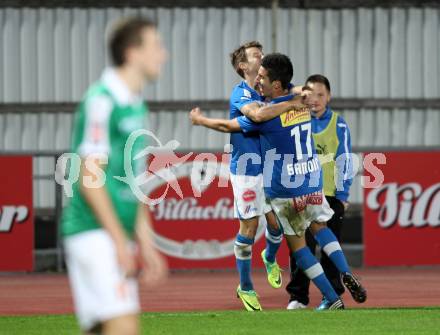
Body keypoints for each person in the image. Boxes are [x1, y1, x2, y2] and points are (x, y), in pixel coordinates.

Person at [190, 53, 366, 310]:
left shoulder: (267, 115)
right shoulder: (302, 105)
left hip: (286, 188)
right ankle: (346, 270)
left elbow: (229, 126)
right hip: (312, 180)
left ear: (275, 84)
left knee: (300, 248)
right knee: (321, 228)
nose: (258, 81)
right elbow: (296, 94)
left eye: (263, 77)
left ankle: (331, 297)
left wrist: (201, 120)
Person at [61, 17, 168, 335]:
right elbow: (89, 177)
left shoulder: (135, 105)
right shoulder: (102, 100)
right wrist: (120, 242)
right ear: (132, 53)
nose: (164, 54)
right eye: (156, 46)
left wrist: (145, 244)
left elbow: (131, 184)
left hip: (111, 237)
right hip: (93, 234)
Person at [286, 74, 362, 310]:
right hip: (301, 193)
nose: (316, 100)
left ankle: (332, 296)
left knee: (330, 249)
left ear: (329, 97)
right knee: (301, 248)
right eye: (312, 95)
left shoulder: (338, 124)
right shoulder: (296, 120)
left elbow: (345, 160)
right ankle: (298, 297)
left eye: (321, 94)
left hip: (329, 196)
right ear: (303, 96)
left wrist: (343, 195)